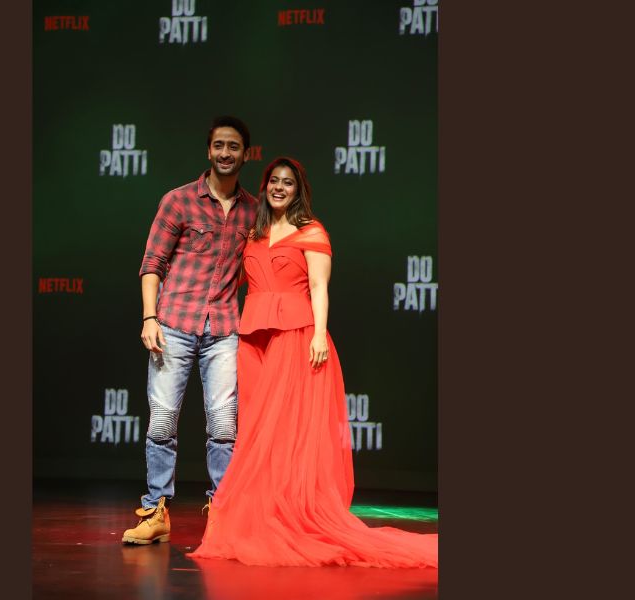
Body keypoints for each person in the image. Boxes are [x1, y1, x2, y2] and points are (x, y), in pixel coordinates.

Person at [187, 157, 438, 567]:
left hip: (296, 336)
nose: (279, 188)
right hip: (252, 341)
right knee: (256, 432)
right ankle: (260, 514)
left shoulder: (312, 231)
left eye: (287, 182)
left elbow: (319, 287)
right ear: (265, 186)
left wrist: (319, 334)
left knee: (286, 431)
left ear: (298, 190)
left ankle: (289, 515)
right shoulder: (254, 233)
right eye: (273, 181)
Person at [122, 116, 258, 545]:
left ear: (245, 154)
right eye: (219, 145)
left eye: (233, 146)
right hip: (173, 325)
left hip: (225, 328)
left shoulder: (254, 210)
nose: (225, 153)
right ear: (208, 151)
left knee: (224, 426)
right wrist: (149, 318)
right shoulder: (178, 201)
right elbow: (152, 264)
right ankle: (156, 511)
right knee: (162, 421)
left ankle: (223, 514)